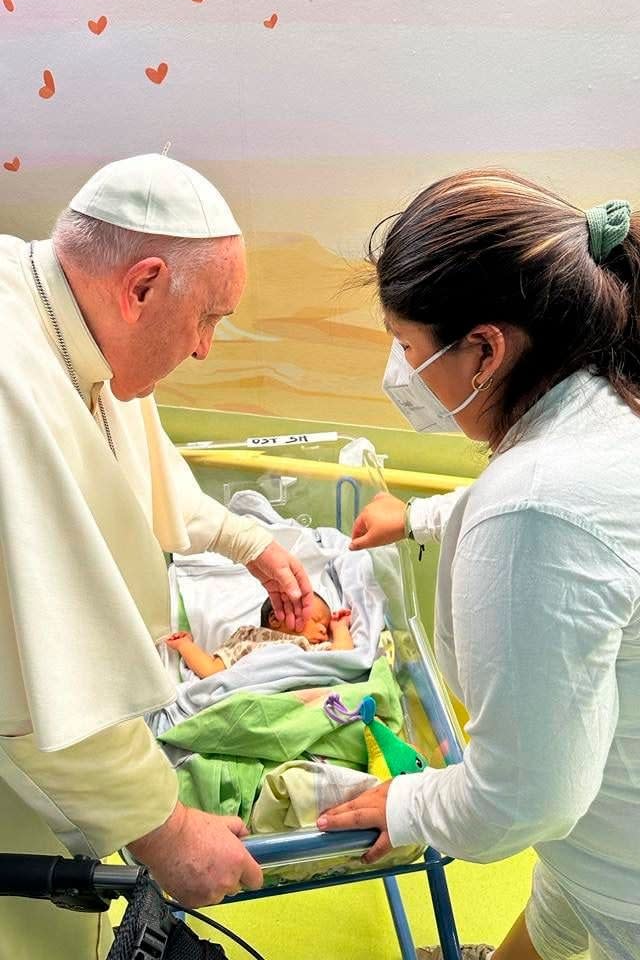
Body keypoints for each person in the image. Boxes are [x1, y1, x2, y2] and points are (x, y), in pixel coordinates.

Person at [317, 171, 640, 960]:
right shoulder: (606, 399)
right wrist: (421, 517)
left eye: (406, 347)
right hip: (598, 837)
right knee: (554, 916)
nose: (400, 371)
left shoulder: (535, 504)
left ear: (486, 350)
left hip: (621, 870)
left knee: (577, 911)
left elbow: (523, 799)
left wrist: (408, 806)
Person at [0, 153, 315, 959]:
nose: (207, 348)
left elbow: (124, 467)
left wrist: (250, 541)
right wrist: (167, 832)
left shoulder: (60, 313)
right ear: (140, 287)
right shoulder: (12, 382)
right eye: (209, 318)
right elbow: (40, 683)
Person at [166, 594, 354, 677]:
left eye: (326, 627)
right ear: (275, 618)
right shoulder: (248, 640)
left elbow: (342, 658)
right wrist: (185, 646)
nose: (323, 630)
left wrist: (339, 629)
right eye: (316, 620)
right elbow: (211, 670)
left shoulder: (307, 648)